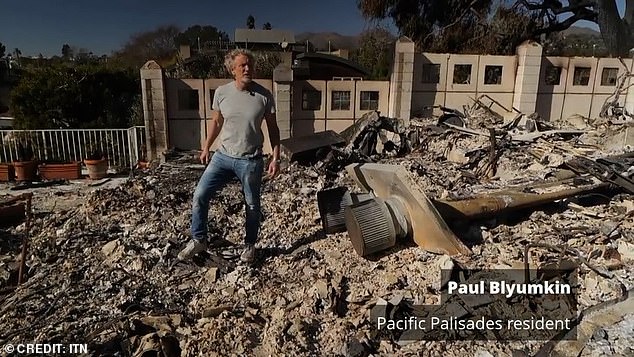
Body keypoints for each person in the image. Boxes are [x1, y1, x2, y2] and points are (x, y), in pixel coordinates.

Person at [177, 48, 281, 263]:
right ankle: (199, 239)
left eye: (250, 64)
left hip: (251, 160)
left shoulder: (264, 95)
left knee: (252, 205)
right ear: (232, 70)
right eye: (242, 65)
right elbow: (216, 121)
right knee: (200, 195)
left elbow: (273, 128)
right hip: (222, 157)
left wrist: (275, 157)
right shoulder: (222, 93)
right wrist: (206, 147)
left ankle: (249, 245)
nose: (247, 68)